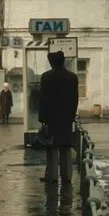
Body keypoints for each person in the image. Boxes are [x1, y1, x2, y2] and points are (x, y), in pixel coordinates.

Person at [38, 51, 79, 186]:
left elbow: (43, 100)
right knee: (66, 147)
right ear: (63, 61)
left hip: (51, 118)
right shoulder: (72, 77)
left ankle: (52, 175)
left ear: (52, 62)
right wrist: (72, 115)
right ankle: (67, 176)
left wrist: (42, 119)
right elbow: (75, 99)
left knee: (52, 147)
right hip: (66, 117)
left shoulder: (46, 77)